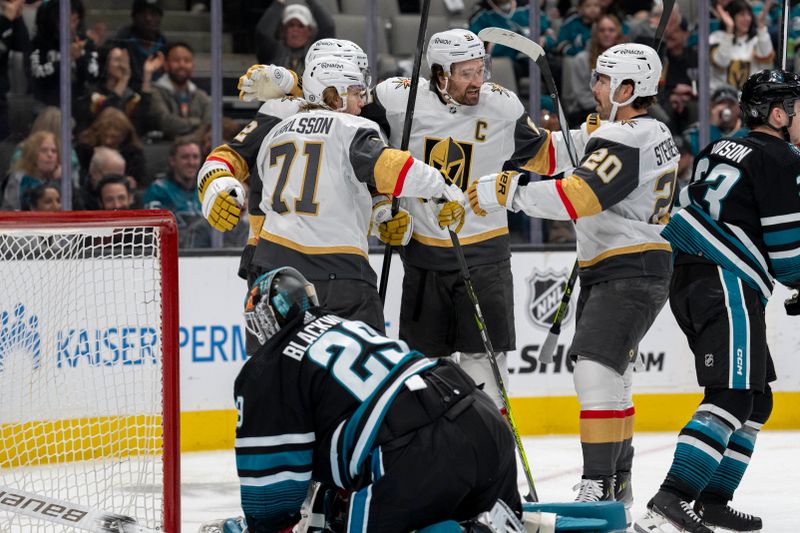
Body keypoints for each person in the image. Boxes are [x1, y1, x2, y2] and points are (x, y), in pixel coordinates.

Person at [468, 43, 679, 520]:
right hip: (624, 267)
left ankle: (598, 485)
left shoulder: (626, 138)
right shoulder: (644, 130)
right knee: (615, 378)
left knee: (596, 371)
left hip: (631, 267)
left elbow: (581, 194)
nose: (595, 87)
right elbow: (552, 157)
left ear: (628, 89)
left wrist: (510, 191)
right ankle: (617, 484)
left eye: (604, 80)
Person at [358, 29, 562, 412]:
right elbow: (361, 148)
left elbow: (545, 157)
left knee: (484, 366)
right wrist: (381, 206)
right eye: (465, 73)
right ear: (439, 75)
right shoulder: (397, 100)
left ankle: (492, 458)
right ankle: (434, 457)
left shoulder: (501, 108)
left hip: (485, 258)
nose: (478, 82)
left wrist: (593, 143)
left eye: (480, 70)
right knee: (424, 371)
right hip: (422, 259)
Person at [634, 69, 800, 533]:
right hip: (724, 280)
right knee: (730, 394)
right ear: (778, 113)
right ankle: (672, 498)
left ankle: (713, 500)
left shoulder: (718, 147)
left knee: (756, 398)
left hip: (693, 277)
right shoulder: (783, 159)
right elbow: (788, 253)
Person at [234, 266, 520, 532]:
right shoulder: (342, 324)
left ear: (264, 321)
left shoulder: (268, 368)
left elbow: (270, 497)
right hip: (482, 418)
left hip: (422, 452)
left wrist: (264, 526)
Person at [208, 55, 463, 334]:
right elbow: (393, 169)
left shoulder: (275, 132)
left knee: (279, 367)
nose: (363, 102)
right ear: (333, 96)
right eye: (355, 93)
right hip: (338, 271)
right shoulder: (352, 127)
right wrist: (442, 187)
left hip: (274, 267)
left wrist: (379, 212)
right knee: (364, 368)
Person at [75, 42, 163, 134]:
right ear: (105, 64)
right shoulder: (90, 93)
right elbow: (106, 116)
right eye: (117, 60)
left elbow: (141, 122)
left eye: (124, 60)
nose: (122, 65)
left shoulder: (130, 95)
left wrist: (147, 76)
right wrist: (124, 77)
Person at [29, 0, 99, 108]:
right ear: (54, 20)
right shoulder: (39, 43)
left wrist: (79, 58)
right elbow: (37, 77)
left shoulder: (85, 43)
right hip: (48, 104)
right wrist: (66, 58)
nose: (70, 26)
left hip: (80, 104)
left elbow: (93, 76)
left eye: (74, 20)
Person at [562, 13, 625, 126]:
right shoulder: (581, 59)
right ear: (596, 34)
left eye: (611, 30)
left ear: (618, 33)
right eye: (602, 30)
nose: (606, 34)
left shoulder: (626, 60)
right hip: (587, 113)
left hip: (617, 111)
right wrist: (611, 107)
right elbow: (582, 97)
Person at [254, 0, 335, 77]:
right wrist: (279, 3)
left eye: (301, 26)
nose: (295, 29)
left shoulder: (316, 52)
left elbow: (328, 27)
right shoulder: (273, 51)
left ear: (309, 31)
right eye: (291, 25)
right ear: (283, 30)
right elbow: (263, 32)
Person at [149, 41, 211, 139]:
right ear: (165, 65)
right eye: (176, 60)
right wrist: (197, 122)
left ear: (193, 66)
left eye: (187, 61)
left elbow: (209, 124)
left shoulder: (200, 95)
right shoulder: (155, 92)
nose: (182, 65)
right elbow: (165, 122)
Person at [709, 0, 773, 91]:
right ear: (732, 16)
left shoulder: (756, 40)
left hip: (749, 99)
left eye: (749, 14)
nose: (747, 18)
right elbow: (721, 62)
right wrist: (729, 30)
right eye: (742, 14)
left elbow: (766, 58)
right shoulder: (716, 37)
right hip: (722, 98)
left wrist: (761, 26)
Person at [76, 107, 147, 189]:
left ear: (124, 135)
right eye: (105, 135)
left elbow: (141, 182)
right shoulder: (85, 150)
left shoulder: (133, 153)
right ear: (98, 132)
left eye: (114, 137)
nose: (108, 141)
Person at [113, 0, 167, 92]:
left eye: (153, 13)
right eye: (143, 13)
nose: (148, 18)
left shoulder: (166, 47)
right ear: (134, 17)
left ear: (160, 17)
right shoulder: (120, 44)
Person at [2, 131, 61, 211]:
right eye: (44, 151)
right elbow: (10, 211)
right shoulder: (19, 179)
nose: (50, 155)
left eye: (54, 151)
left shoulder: (63, 179)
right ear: (32, 155)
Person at [684, 85, 748, 156]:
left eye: (730, 104)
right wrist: (713, 126)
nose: (725, 108)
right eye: (721, 103)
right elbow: (700, 154)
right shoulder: (698, 131)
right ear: (712, 107)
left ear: (738, 108)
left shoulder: (747, 134)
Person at [0, 0, 29, 141]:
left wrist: (17, 17)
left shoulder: (6, 19)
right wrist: (6, 20)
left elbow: (23, 46)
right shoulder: (4, 21)